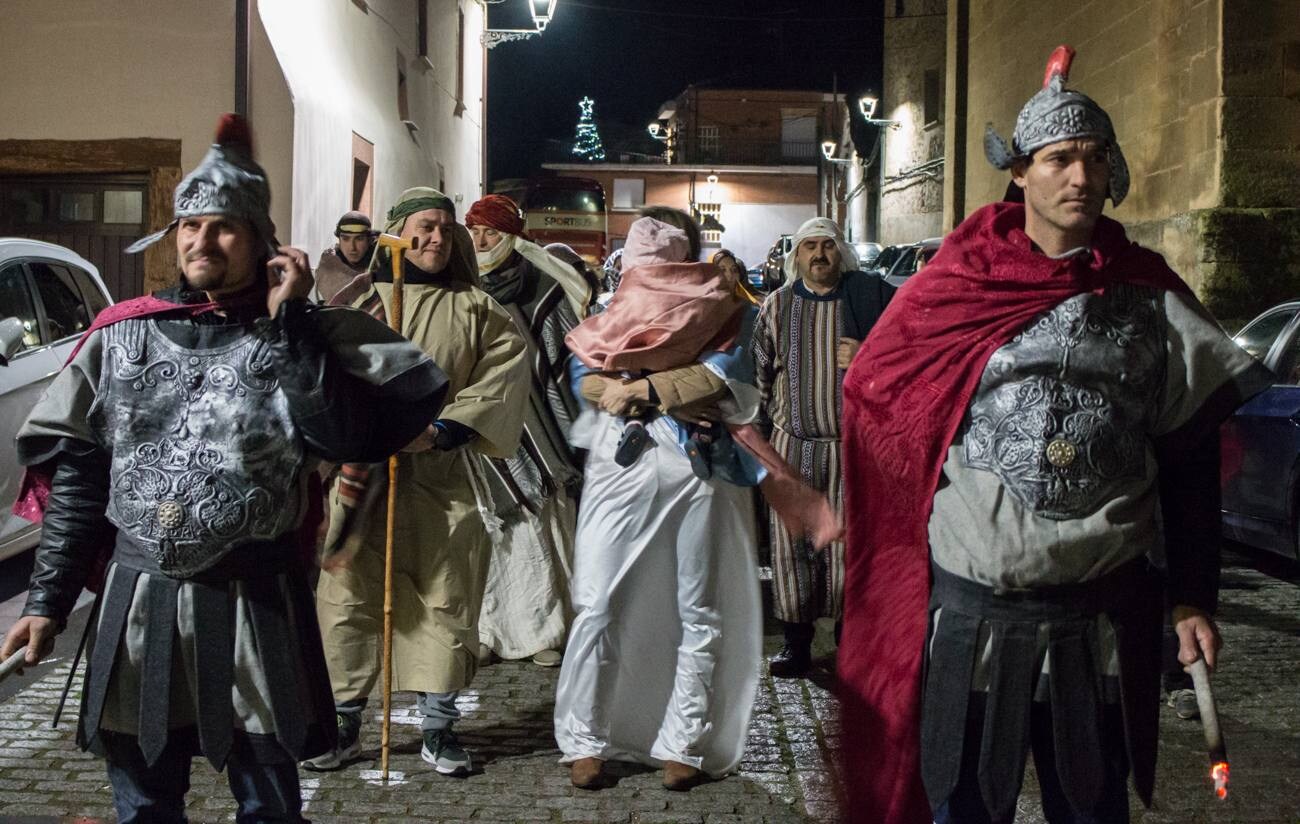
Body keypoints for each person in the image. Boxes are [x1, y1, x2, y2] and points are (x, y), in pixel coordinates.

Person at [837, 46, 1274, 823]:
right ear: (1021, 172)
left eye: (1094, 159)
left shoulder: (1149, 297)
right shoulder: (952, 288)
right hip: (972, 623)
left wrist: (1192, 597)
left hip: (1100, 625)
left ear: (1113, 173)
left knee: (1092, 811)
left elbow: (1188, 458)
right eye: (1059, 159)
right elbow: (884, 409)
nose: (1079, 177)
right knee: (963, 809)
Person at [0, 114, 449, 824]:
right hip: (139, 602)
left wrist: (294, 322)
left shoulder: (308, 332)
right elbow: (80, 483)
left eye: (224, 227)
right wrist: (47, 603)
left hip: (257, 601)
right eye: (189, 226)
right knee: (143, 806)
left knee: (269, 808)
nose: (201, 242)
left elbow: (346, 436)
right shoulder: (121, 337)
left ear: (264, 240)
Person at [308, 187, 528, 776]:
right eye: (423, 227)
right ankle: (344, 721)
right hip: (362, 476)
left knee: (446, 594)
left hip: (441, 475)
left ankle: (438, 727)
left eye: (444, 229)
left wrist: (441, 431)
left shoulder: (478, 309)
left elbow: (504, 373)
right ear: (397, 233)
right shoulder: (357, 303)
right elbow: (315, 376)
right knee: (346, 596)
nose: (435, 238)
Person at [554, 209, 766, 793]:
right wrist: (612, 388)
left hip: (699, 466)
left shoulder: (728, 310)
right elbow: (582, 371)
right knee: (597, 601)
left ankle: (685, 741)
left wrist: (646, 387)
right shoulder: (609, 311)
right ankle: (583, 737)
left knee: (699, 607)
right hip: (620, 467)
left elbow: (728, 377)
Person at [752, 217, 894, 678]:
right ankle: (797, 646)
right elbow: (759, 377)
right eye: (809, 246)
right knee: (793, 548)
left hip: (851, 451)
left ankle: (850, 643)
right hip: (791, 448)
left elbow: (904, 355)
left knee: (849, 547)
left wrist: (868, 352)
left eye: (827, 246)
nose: (819, 255)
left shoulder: (868, 302)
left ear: (841, 253)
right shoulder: (776, 307)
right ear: (797, 257)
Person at [464, 194, 583, 668]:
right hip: (480, 418)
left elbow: (563, 357)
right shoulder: (463, 284)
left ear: (511, 235)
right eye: (473, 231)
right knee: (489, 524)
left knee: (539, 519)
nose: (480, 241)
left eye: (489, 232)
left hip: (537, 422)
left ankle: (546, 630)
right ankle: (490, 630)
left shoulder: (542, 286)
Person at [314, 210, 377, 304]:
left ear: (370, 240)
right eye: (346, 239)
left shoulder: (382, 261)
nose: (352, 247)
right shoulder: (329, 265)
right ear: (339, 240)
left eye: (359, 239)